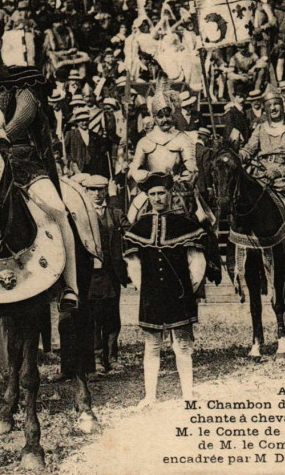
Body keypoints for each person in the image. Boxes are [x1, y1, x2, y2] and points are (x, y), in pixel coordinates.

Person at [0, 7, 83, 310]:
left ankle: (69, 287)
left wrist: (0, 136)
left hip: (20, 161)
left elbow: (26, 113)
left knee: (58, 210)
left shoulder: (20, 76)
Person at [123, 173, 206, 407]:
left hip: (179, 295)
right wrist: (145, 290)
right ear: (147, 197)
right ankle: (150, 396)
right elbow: (134, 264)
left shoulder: (185, 225)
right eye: (153, 194)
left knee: (182, 345)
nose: (158, 198)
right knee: (152, 345)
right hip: (151, 297)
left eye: (161, 193)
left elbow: (197, 263)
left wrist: (187, 292)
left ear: (169, 194)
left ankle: (187, 393)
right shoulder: (140, 227)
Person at [239, 89, 285, 239]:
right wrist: (240, 156)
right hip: (260, 173)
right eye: (269, 105)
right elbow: (249, 148)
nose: (273, 108)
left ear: (282, 106)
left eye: (276, 104)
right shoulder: (260, 128)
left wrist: (280, 171)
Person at [127, 91, 198, 222]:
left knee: (203, 219)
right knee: (130, 219)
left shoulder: (183, 139)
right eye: (160, 116)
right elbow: (134, 170)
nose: (165, 119)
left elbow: (192, 167)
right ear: (154, 118)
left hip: (176, 189)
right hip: (151, 189)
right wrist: (148, 178)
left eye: (167, 115)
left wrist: (185, 178)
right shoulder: (144, 141)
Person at [83, 175, 129, 373]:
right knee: (93, 316)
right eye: (92, 190)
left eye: (100, 190)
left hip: (111, 273)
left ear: (105, 192)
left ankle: (112, 357)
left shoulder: (116, 213)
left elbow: (132, 232)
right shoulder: (79, 215)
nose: (96, 194)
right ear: (85, 192)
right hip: (90, 275)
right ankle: (96, 359)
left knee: (112, 315)